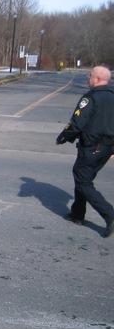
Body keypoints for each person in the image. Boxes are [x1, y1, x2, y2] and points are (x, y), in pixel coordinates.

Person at [56, 65, 114, 238]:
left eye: (90, 76)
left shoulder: (90, 98)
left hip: (92, 146)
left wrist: (64, 136)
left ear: (96, 79)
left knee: (82, 180)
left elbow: (77, 122)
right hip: (107, 147)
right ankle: (77, 214)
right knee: (83, 176)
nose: (88, 79)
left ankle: (109, 214)